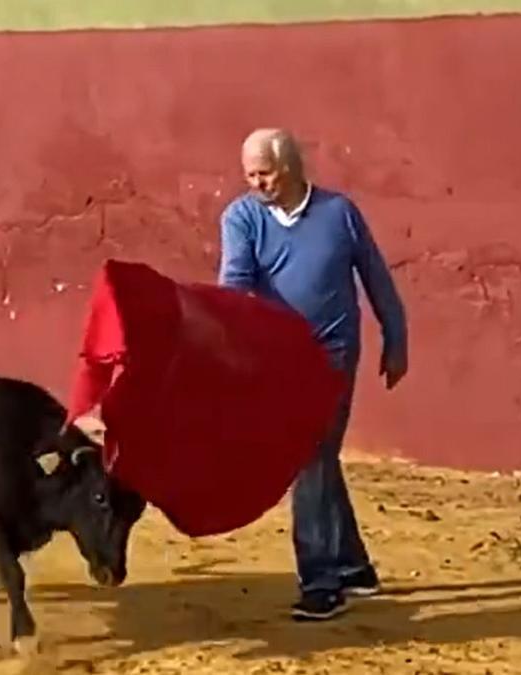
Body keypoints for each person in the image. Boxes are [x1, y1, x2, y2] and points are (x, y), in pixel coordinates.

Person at [217, 128, 408, 622]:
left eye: (265, 173)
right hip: (278, 357)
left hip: (334, 351)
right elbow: (236, 282)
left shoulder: (338, 213)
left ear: (293, 168)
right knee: (317, 456)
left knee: (309, 454)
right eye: (250, 175)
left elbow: (374, 275)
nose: (257, 184)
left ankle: (321, 581)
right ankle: (353, 567)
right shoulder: (242, 218)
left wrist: (396, 337)